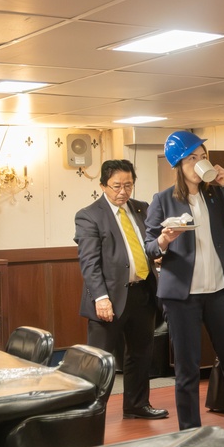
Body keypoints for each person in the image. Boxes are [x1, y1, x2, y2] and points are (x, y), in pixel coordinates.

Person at [145, 131, 224, 430]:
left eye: (203, 156)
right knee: (187, 369)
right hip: (182, 296)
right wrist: (164, 240)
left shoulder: (217, 194)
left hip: (219, 290)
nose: (199, 163)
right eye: (192, 158)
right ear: (178, 165)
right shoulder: (163, 199)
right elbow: (148, 246)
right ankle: (189, 431)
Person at [74, 160, 167, 420]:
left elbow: (149, 246)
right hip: (109, 298)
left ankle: (137, 405)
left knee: (140, 354)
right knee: (100, 361)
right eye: (116, 186)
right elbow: (90, 263)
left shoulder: (142, 209)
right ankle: (90, 413)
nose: (123, 192)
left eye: (128, 185)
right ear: (103, 185)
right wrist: (101, 299)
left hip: (143, 293)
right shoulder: (89, 215)